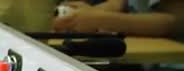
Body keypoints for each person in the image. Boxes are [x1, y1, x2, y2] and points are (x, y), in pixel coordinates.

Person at [53, 0, 184, 38]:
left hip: (166, 69)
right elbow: (120, 3)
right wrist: (85, 13)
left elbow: (175, 23)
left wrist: (101, 20)